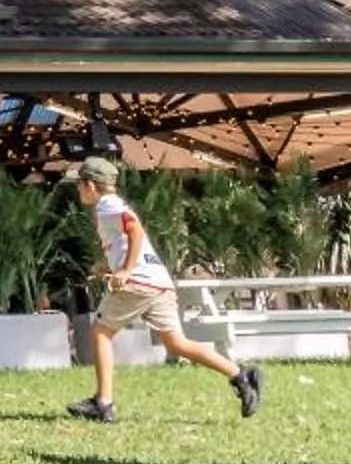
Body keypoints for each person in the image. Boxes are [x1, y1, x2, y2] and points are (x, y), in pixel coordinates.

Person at [64, 158, 262, 424]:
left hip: (139, 284)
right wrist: (108, 264)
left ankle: (103, 403)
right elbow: (128, 239)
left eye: (78, 186)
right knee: (176, 344)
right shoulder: (113, 205)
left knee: (101, 332)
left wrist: (126, 271)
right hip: (159, 283)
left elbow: (133, 228)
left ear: (89, 185)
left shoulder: (107, 206)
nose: (78, 192)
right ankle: (241, 376)